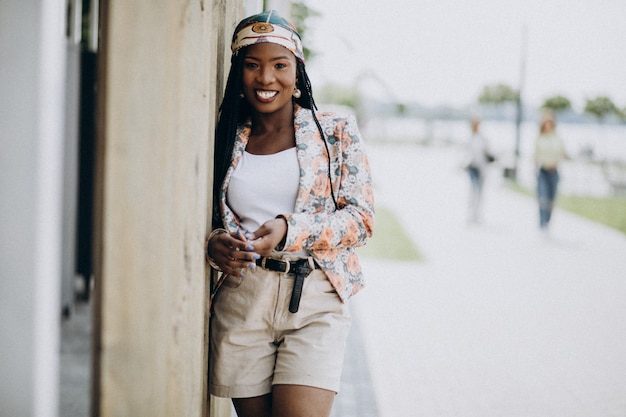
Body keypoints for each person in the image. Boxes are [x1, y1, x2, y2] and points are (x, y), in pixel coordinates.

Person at [204, 10, 375, 417]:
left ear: (297, 74)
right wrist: (215, 244)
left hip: (314, 296)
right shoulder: (224, 136)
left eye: (279, 65)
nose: (266, 79)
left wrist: (288, 229)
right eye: (252, 65)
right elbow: (207, 218)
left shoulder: (335, 132)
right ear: (237, 73)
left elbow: (362, 220)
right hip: (243, 298)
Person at [534, 111, 568, 233]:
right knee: (542, 198)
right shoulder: (540, 138)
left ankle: (547, 222)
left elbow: (564, 153)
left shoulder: (557, 138)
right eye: (546, 122)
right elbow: (535, 155)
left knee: (551, 200)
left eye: (550, 122)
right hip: (543, 171)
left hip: (554, 172)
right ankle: (542, 224)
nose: (548, 125)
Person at [463, 117, 493, 223]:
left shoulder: (483, 139)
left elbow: (489, 152)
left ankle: (478, 214)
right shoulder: (469, 138)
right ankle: (471, 214)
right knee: (473, 191)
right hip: (472, 168)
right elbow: (465, 154)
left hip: (482, 168)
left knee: (480, 192)